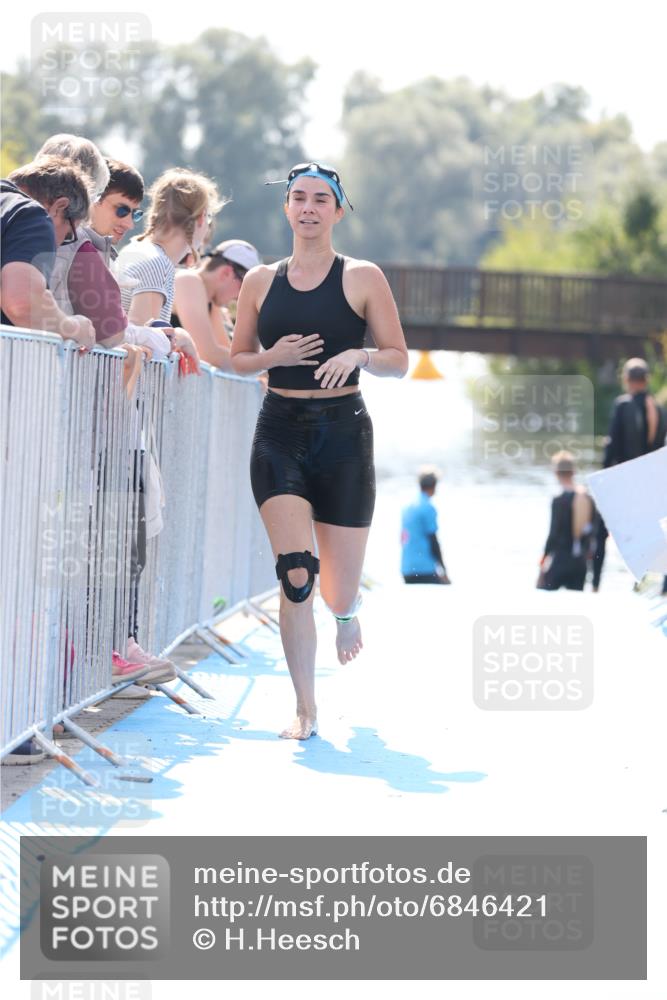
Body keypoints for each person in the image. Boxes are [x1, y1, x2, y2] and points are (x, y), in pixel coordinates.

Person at [231, 161, 409, 740]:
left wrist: (358, 356)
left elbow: (398, 359)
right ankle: (305, 709)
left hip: (344, 435)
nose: (308, 208)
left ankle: (348, 613)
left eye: (320, 200)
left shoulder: (362, 277)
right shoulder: (259, 281)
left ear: (337, 210)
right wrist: (271, 357)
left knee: (336, 589)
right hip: (279, 429)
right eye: (298, 198)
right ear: (286, 208)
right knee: (297, 576)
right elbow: (236, 359)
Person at [116, 166, 224, 374]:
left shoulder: (136, 249)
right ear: (201, 218)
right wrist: (181, 337)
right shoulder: (157, 263)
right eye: (209, 218)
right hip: (124, 399)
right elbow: (144, 345)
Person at [1, 156, 94, 346]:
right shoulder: (31, 214)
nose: (60, 244)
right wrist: (73, 328)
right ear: (60, 206)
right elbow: (22, 304)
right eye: (68, 235)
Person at [592, 358, 667, 591]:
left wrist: (601, 482)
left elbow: (612, 448)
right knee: (654, 537)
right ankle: (657, 588)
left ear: (626, 379)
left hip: (624, 480)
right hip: (650, 484)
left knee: (600, 532)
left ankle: (594, 585)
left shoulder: (623, 405)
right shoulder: (659, 409)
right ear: (646, 380)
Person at [172, 239, 262, 371]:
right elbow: (208, 354)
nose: (240, 298)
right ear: (226, 273)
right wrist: (265, 367)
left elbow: (227, 351)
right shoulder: (188, 281)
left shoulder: (212, 302)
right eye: (244, 287)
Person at [539, 451, 594, 591]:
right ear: (573, 472)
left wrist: (544, 558)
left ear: (556, 473)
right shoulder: (588, 498)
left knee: (544, 598)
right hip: (580, 564)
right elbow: (594, 531)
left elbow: (554, 534)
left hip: (560, 561)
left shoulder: (559, 501)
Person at [401, 466, 451, 584]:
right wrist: (444, 571)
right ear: (434, 486)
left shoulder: (407, 507)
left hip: (406, 569)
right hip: (424, 569)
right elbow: (433, 540)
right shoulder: (428, 508)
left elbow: (403, 539)